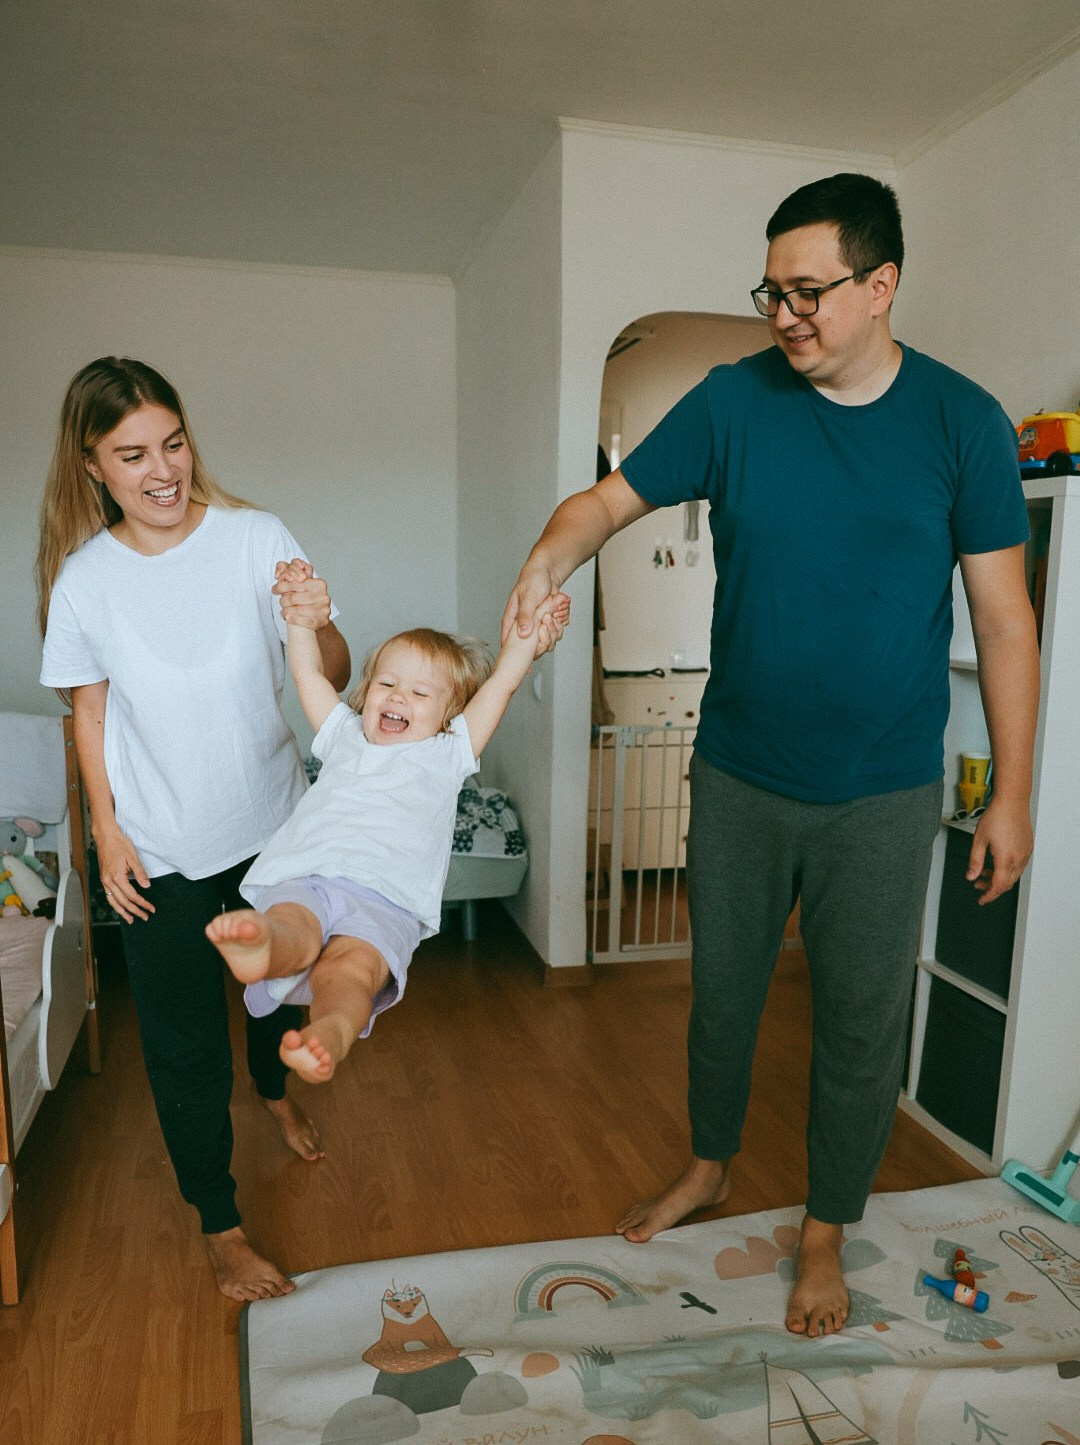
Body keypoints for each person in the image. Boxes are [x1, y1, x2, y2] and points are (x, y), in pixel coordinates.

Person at [502, 174, 1040, 1337]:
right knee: (722, 1000)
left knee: (858, 1025)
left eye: (808, 290)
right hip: (741, 773)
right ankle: (709, 1164)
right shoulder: (731, 403)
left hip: (885, 793)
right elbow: (606, 504)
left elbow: (1005, 624)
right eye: (771, 291)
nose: (784, 313)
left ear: (881, 283)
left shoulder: (964, 423)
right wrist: (548, 562)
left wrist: (1015, 795)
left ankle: (825, 1230)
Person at [37, 356, 352, 1303]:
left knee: (281, 988)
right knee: (182, 1046)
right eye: (132, 454)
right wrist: (107, 833)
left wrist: (318, 617)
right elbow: (87, 716)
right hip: (158, 848)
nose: (161, 470)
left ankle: (272, 1089)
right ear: (93, 465)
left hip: (269, 824)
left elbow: (328, 663)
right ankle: (220, 1223)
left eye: (171, 443)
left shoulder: (256, 538)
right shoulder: (84, 582)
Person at [206, 560, 567, 1082]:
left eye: (420, 694)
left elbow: (502, 686)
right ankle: (262, 947)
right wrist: (299, 619)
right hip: (309, 873)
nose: (398, 696)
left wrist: (528, 642)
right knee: (293, 924)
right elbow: (307, 674)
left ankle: (327, 1033)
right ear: (367, 691)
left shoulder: (451, 751)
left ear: (448, 716)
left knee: (351, 971)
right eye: (388, 683)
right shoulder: (344, 733)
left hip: (387, 898)